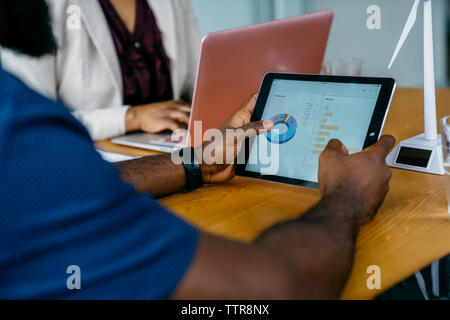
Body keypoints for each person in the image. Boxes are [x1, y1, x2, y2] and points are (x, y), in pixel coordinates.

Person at [0, 0, 396, 299]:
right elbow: (276, 290)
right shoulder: (20, 131)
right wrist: (348, 197)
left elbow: (76, 186)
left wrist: (197, 163)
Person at [0, 0, 200, 141]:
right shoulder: (32, 7)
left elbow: (197, 83)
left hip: (172, 147)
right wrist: (131, 117)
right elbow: (31, 122)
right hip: (87, 160)